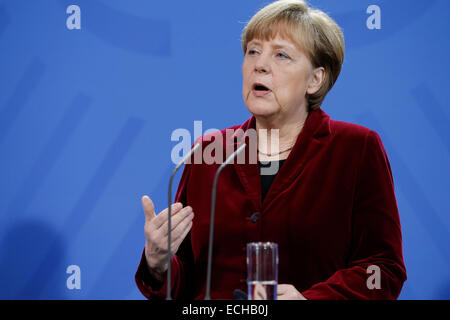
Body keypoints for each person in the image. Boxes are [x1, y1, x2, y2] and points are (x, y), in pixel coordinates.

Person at [135, 0, 407, 300]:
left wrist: (310, 300)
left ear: (315, 80)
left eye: (281, 55)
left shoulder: (355, 149)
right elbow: (186, 282)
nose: (259, 65)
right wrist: (157, 263)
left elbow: (383, 269)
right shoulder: (208, 152)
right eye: (253, 51)